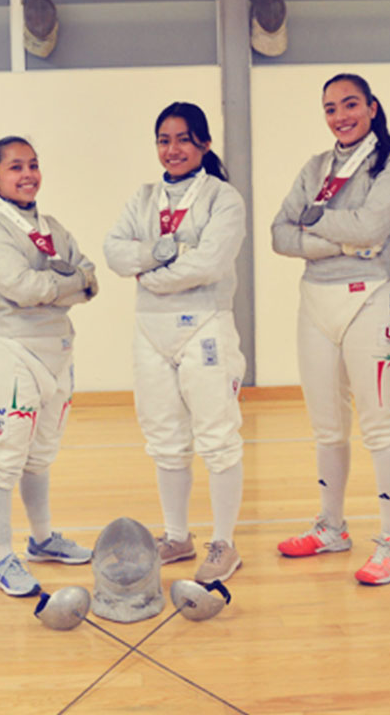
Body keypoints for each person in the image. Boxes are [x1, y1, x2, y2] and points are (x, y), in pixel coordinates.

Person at [271, 74, 390, 585]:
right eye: (331, 108)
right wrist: (344, 240)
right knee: (326, 427)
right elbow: (279, 234)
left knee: (380, 426)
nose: (341, 116)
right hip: (316, 302)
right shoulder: (315, 167)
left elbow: (373, 229)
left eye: (350, 104)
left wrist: (315, 223)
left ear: (372, 107)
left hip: (371, 299)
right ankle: (331, 527)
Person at [103, 102, 247, 585]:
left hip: (205, 326)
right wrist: (162, 253)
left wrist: (150, 275)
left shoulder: (223, 198)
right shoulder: (143, 198)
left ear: (204, 143)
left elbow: (210, 263)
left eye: (183, 138)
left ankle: (223, 543)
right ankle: (177, 536)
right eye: (164, 140)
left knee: (217, 438)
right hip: (151, 330)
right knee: (164, 438)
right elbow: (115, 251)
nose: (173, 149)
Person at [0, 136, 98, 597]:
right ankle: (2, 558)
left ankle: (42, 540)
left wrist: (64, 284)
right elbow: (23, 288)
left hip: (58, 352)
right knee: (4, 458)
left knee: (41, 455)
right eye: (15, 167)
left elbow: (90, 278)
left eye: (33, 165)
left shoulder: (52, 227)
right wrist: (68, 283)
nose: (27, 175)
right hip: (15, 354)